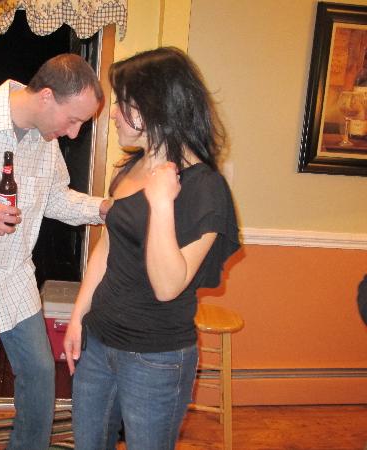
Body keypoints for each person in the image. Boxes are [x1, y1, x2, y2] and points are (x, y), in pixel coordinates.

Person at [63, 46, 241, 450]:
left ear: (153, 107)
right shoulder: (131, 168)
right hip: (99, 341)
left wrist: (161, 203)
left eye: (121, 103)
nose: (112, 113)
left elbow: (167, 286)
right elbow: (106, 249)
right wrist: (78, 317)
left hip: (155, 358)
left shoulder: (205, 189)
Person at [0, 54, 111, 450]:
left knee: (40, 374)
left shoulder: (46, 140)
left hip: (16, 275)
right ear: (47, 97)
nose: (74, 133)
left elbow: (55, 198)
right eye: (73, 120)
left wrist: (104, 208)